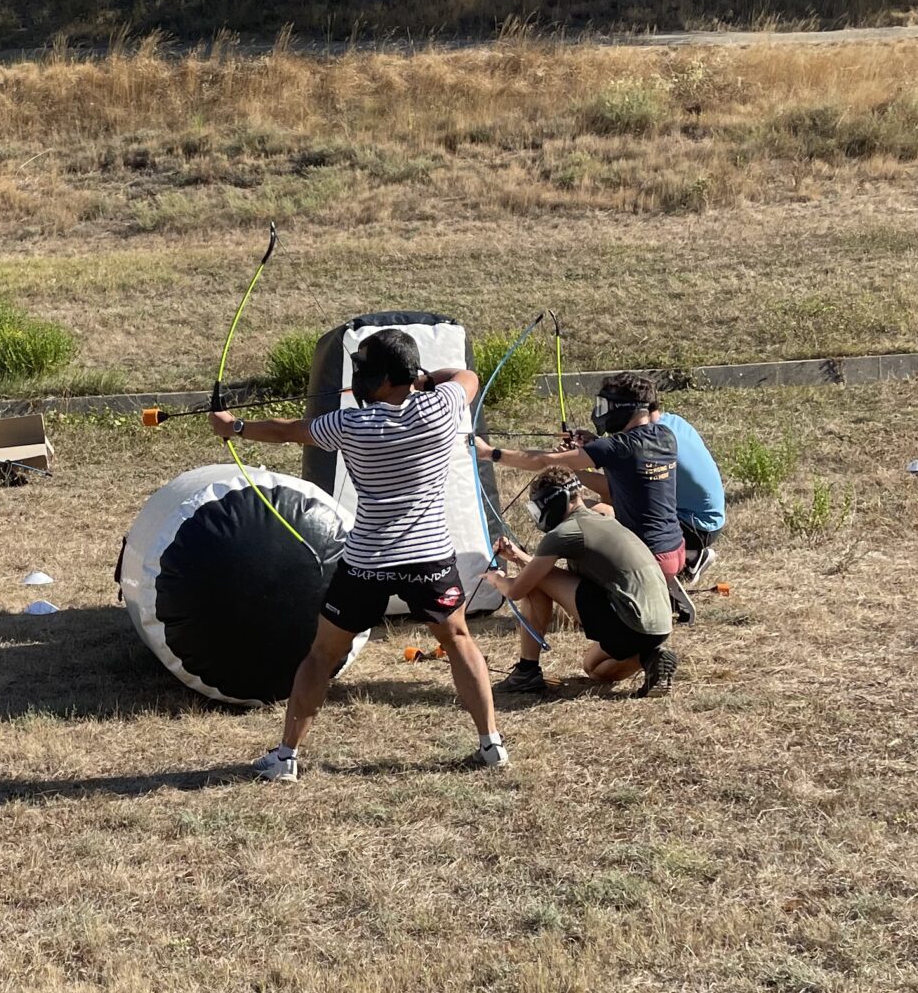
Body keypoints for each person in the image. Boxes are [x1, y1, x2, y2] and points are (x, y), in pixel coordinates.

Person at [210, 327, 508, 781]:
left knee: (321, 656)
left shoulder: (351, 424)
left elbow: (291, 431)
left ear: (386, 378)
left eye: (367, 372)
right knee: (458, 639)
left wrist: (237, 427)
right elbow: (465, 374)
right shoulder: (444, 406)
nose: (360, 380)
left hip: (368, 562)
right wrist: (424, 380)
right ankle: (491, 745)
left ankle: (287, 758)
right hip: (429, 559)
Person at [479, 369, 694, 621]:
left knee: (571, 533)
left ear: (625, 408)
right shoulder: (664, 435)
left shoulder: (616, 447)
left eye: (606, 405)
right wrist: (589, 449)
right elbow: (621, 479)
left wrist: (490, 453)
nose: (600, 411)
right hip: (675, 550)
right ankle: (661, 588)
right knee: (595, 509)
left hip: (648, 559)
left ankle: (531, 567)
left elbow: (542, 461)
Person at [490, 471, 677, 697]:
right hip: (658, 625)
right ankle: (651, 658)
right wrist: (519, 557)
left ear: (553, 502)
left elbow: (517, 589)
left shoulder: (565, 533)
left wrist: (495, 577)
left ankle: (527, 671)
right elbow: (545, 573)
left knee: (534, 583)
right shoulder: (603, 516)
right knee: (594, 669)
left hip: (629, 623)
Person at [660, 405, 726, 584]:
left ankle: (672, 568)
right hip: (710, 521)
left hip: (697, 527)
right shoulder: (672, 421)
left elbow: (611, 489)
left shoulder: (652, 440)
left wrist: (576, 470)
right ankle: (691, 555)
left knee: (622, 515)